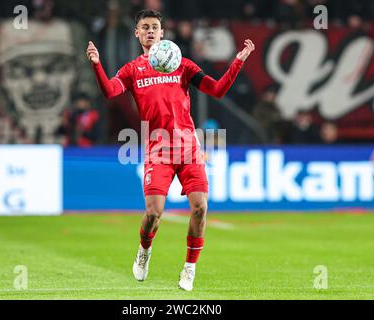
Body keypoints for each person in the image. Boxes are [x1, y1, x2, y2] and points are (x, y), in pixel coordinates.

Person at [86, 9, 255, 291]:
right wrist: (96, 64)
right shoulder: (132, 70)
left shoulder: (182, 65)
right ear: (137, 33)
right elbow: (109, 92)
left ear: (163, 33)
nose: (150, 31)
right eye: (145, 27)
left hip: (188, 145)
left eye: (155, 27)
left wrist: (237, 62)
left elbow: (216, 90)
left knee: (200, 207)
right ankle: (144, 251)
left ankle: (189, 268)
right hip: (158, 149)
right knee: (153, 213)